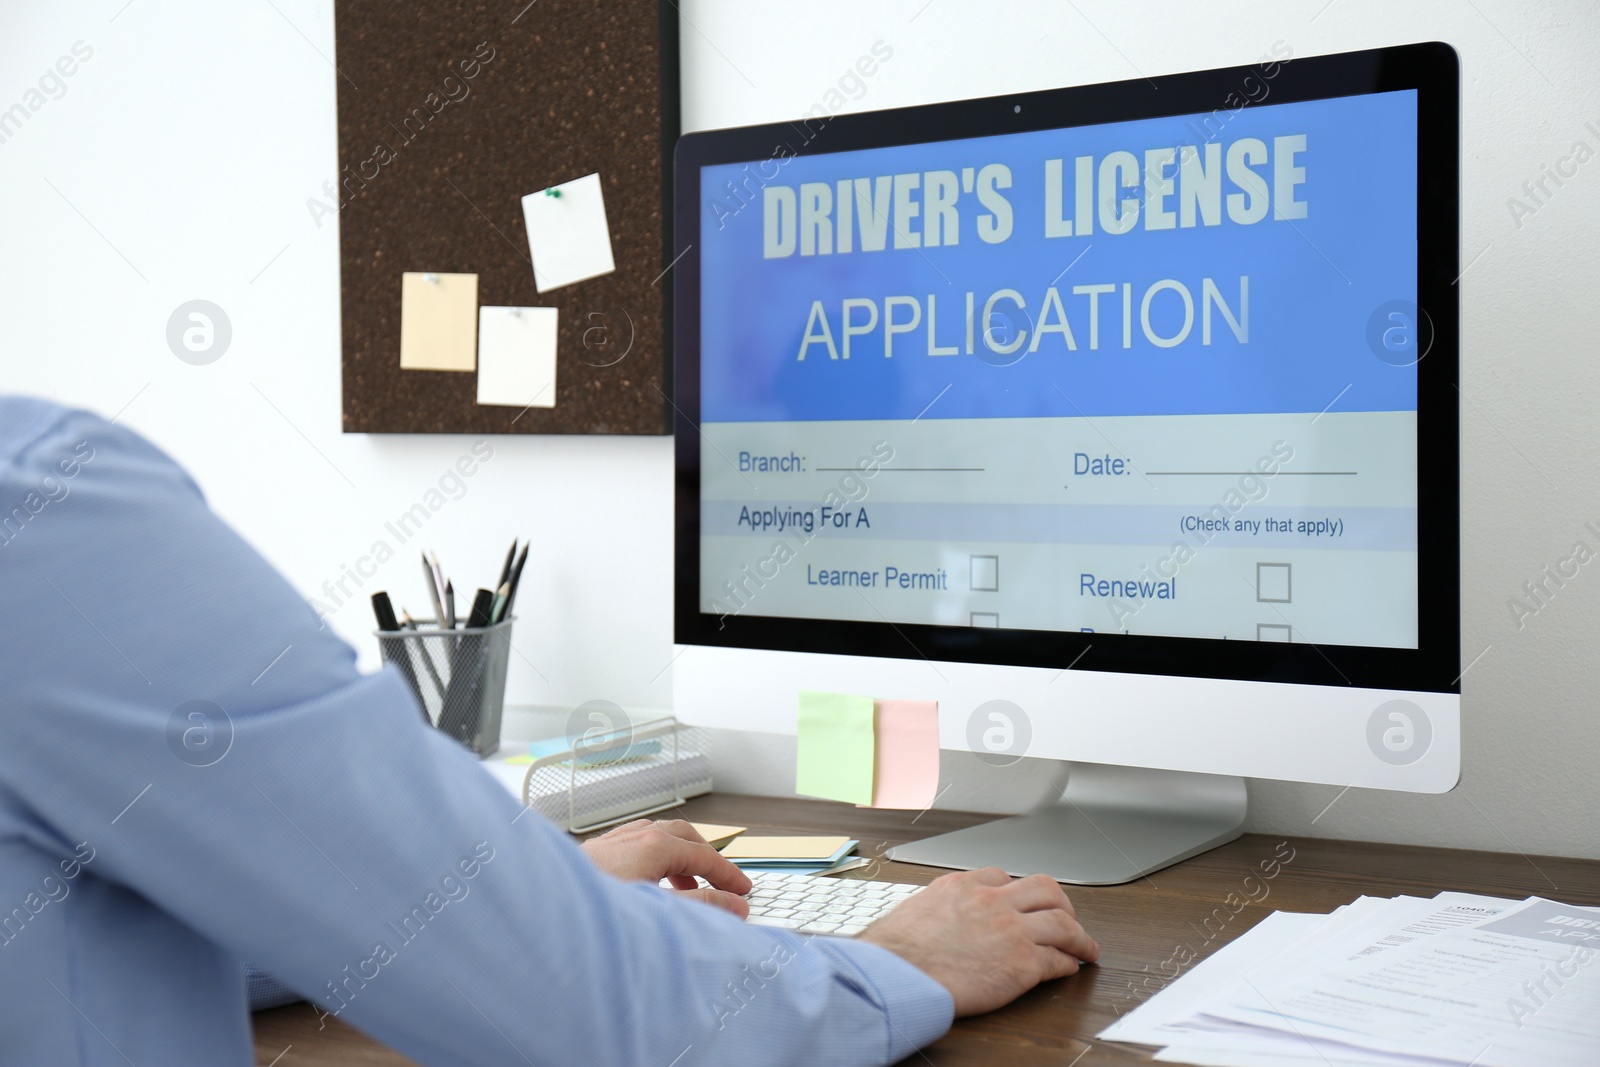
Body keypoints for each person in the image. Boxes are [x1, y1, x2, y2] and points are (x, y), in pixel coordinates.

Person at [0, 397, 1098, 1066]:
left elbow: (90, 920)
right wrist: (885, 962)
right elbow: (586, 1014)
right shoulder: (45, 505)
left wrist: (532, 885)